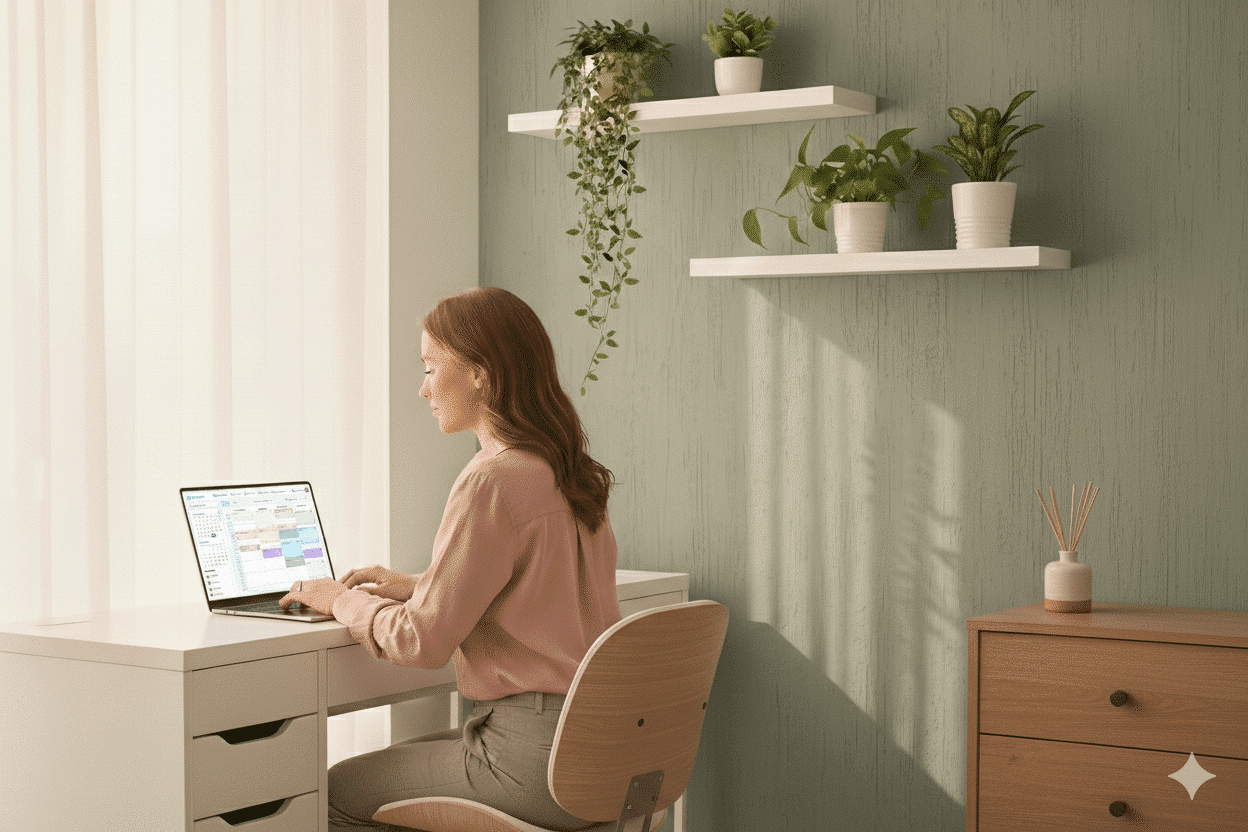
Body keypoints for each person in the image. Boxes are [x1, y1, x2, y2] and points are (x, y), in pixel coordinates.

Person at [279, 287, 621, 831]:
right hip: (600, 754)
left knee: (332, 792)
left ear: (480, 373)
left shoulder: (492, 480)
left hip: (530, 762)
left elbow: (421, 641)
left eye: (431, 368)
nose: (423, 389)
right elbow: (538, 587)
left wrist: (338, 599)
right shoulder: (568, 471)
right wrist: (423, 583)